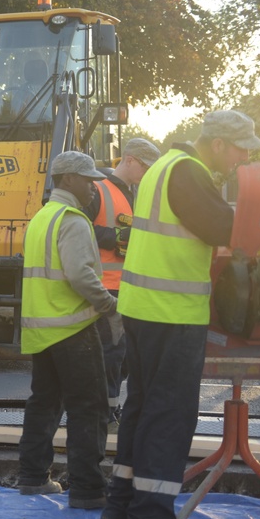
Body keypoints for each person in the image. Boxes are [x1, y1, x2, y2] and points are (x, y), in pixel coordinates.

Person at [102, 110, 260, 519]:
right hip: (170, 313)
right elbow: (225, 229)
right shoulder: (190, 174)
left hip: (142, 309)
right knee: (169, 415)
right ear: (217, 144)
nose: (242, 158)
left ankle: (121, 507)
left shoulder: (164, 168)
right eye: (240, 149)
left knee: (141, 407)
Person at [18, 151, 122, 509]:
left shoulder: (42, 217)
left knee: (44, 403)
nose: (94, 186)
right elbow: (80, 276)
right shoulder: (73, 220)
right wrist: (109, 305)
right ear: (66, 180)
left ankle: (32, 478)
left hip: (42, 329)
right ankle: (89, 491)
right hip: (73, 329)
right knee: (89, 408)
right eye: (87, 179)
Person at [81, 138, 162, 430]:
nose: (147, 172)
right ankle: (104, 415)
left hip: (128, 287)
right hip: (105, 286)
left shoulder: (136, 194)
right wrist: (113, 238)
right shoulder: (99, 190)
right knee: (111, 352)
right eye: (145, 166)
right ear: (128, 160)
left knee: (123, 354)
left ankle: (109, 410)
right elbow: (77, 227)